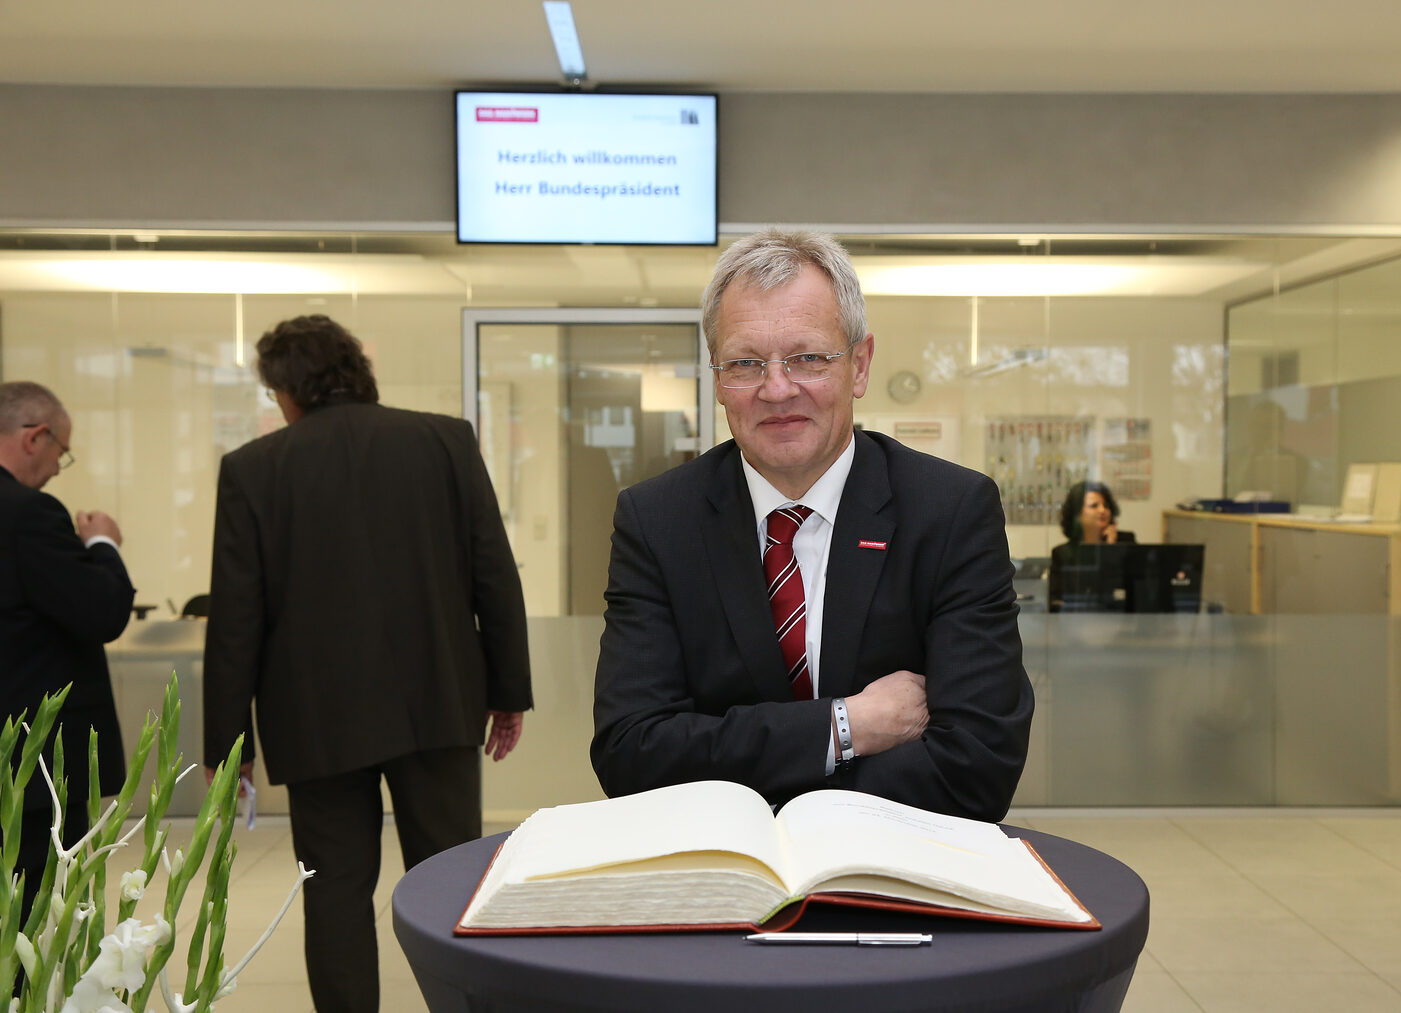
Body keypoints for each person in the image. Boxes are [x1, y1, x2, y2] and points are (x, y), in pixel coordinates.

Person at [590, 230, 1033, 823]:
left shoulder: (950, 510)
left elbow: (980, 766)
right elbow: (631, 755)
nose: (777, 389)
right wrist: (847, 727)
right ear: (718, 379)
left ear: (860, 365)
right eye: (746, 363)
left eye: (809, 358)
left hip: (896, 877)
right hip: (717, 873)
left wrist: (774, 792)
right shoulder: (658, 521)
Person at [202, 316, 532, 1013]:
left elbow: (236, 621)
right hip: (438, 704)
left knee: (334, 894)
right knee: (450, 885)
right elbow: (493, 575)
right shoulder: (444, 440)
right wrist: (508, 691)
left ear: (289, 389)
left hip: (315, 721)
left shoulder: (254, 470)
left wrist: (228, 744)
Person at [0, 381, 134, 913]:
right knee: (33, 914)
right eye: (62, 452)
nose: (58, 468)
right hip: (32, 761)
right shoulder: (27, 513)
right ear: (36, 438)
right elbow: (100, 612)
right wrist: (104, 545)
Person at [1048, 480, 1135, 612]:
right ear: (1077, 515)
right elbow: (1057, 603)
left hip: (1119, 621)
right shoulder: (1063, 553)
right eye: (1094, 506)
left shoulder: (1126, 543)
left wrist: (1111, 549)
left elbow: (1131, 594)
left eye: (1106, 505)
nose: (1103, 510)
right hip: (1078, 622)